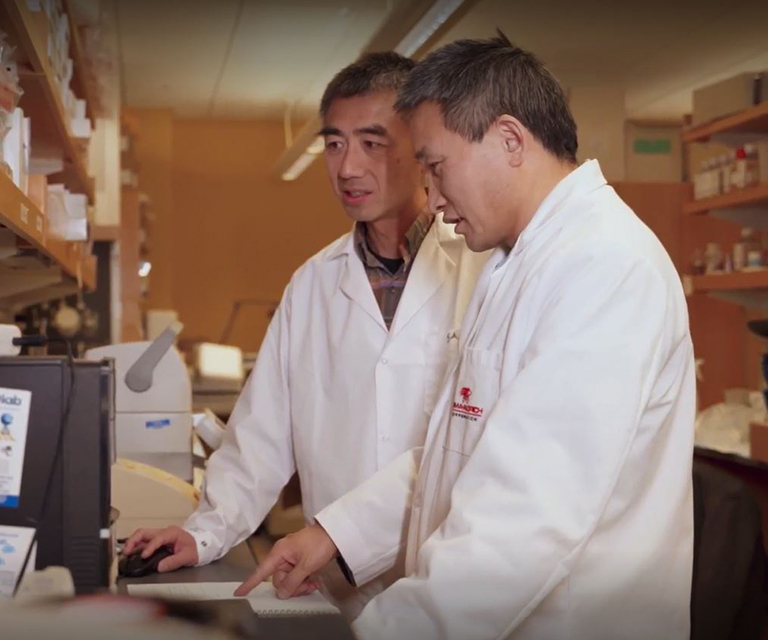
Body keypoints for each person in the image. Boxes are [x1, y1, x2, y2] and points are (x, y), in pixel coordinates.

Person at [236, 35, 695, 640]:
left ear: (509, 140)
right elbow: (459, 453)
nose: (430, 194)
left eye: (436, 165)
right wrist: (334, 534)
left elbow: (526, 520)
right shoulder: (516, 262)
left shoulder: (604, 267)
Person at [122, 51, 487, 616]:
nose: (346, 167)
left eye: (372, 142)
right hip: (339, 588)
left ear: (421, 146)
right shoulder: (312, 284)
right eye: (334, 143)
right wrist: (206, 532)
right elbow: (260, 439)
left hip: (457, 587)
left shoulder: (481, 270)